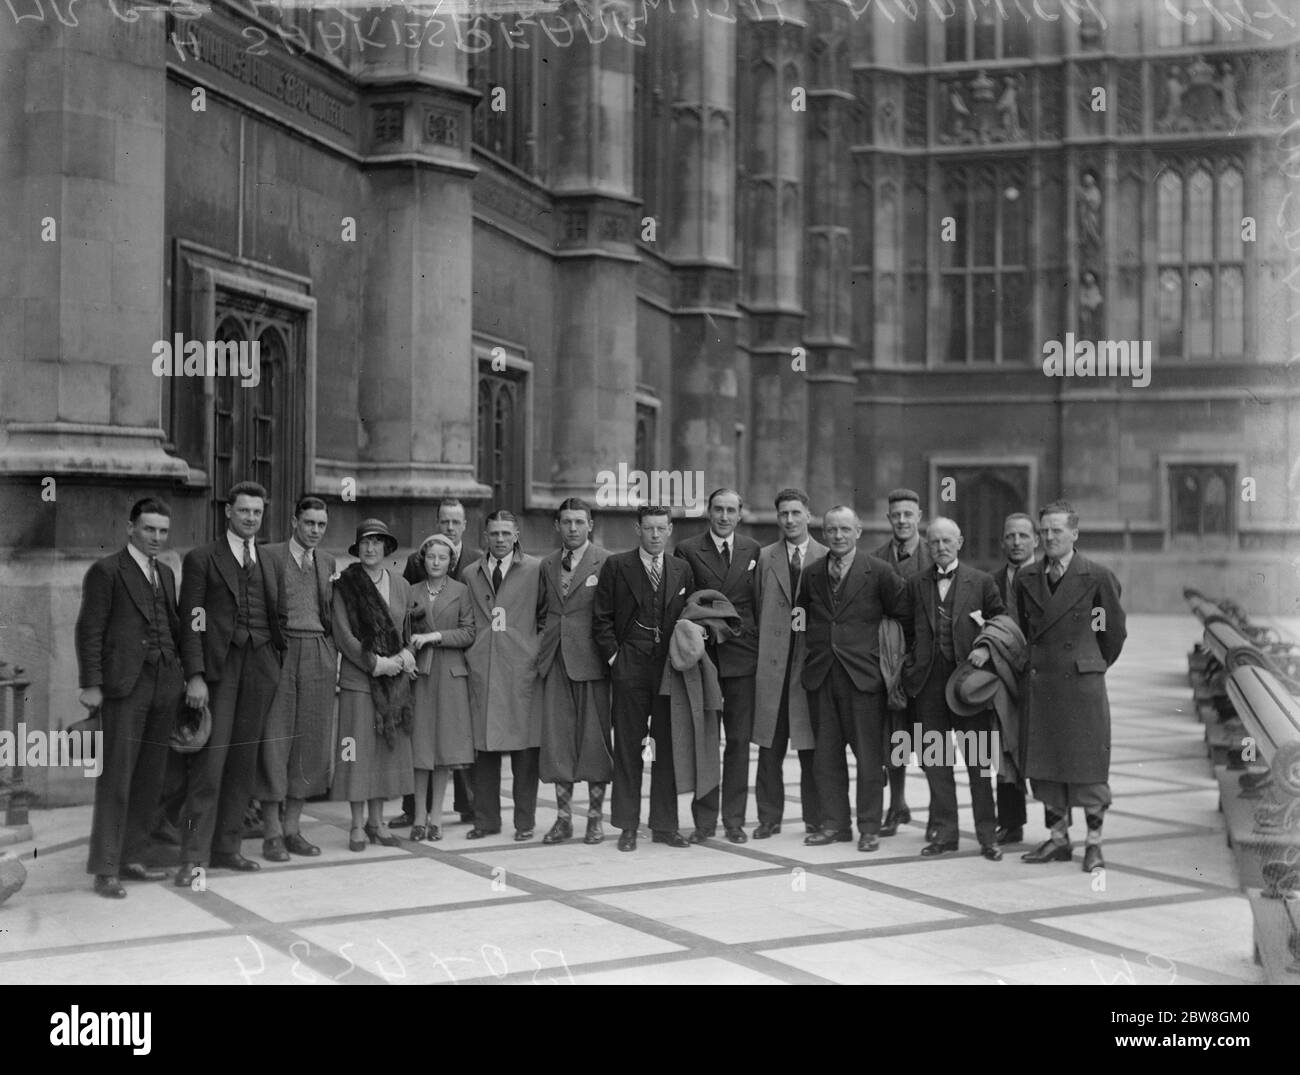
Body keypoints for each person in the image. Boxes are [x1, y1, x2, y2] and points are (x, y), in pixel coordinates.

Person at [175, 482, 287, 886]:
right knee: (210, 766)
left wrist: (275, 660)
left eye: (257, 512)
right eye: (243, 511)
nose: (251, 518)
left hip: (260, 667)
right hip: (219, 671)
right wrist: (196, 675)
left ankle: (227, 847)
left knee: (243, 764)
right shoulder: (202, 558)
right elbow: (191, 621)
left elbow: (279, 615)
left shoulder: (269, 560)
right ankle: (193, 857)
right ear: (228, 512)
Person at [75, 497, 185, 898]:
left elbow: (172, 626)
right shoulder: (107, 571)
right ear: (130, 528)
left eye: (162, 531)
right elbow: (90, 629)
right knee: (117, 777)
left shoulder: (166, 574)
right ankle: (106, 869)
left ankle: (133, 856)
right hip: (125, 686)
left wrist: (183, 674)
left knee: (150, 776)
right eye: (148, 529)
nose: (156, 537)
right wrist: (92, 684)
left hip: (164, 683)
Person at [1013, 500, 1127, 873]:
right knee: (1045, 766)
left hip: (1081, 688)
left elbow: (1110, 633)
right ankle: (1059, 839)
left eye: (1057, 530)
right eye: (1044, 531)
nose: (1049, 537)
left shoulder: (1096, 577)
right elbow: (1024, 629)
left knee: (1088, 769)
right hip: (1042, 683)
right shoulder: (1027, 578)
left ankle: (1094, 844)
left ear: (1074, 534)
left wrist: (1088, 665)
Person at [800, 505, 906, 853]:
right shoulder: (812, 573)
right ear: (823, 533)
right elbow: (803, 616)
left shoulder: (879, 572)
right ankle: (835, 825)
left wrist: (884, 661)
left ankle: (869, 828)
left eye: (845, 529)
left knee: (869, 758)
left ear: (858, 532)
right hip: (822, 677)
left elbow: (902, 615)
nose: (838, 535)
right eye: (832, 529)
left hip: (864, 680)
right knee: (826, 757)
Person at [899, 517, 1005, 860]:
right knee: (936, 763)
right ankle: (945, 834)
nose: (941, 547)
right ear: (928, 546)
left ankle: (987, 836)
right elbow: (907, 630)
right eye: (934, 542)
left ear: (960, 542)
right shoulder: (916, 583)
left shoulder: (982, 582)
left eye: (947, 541)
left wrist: (985, 647)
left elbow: (1001, 623)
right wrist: (912, 665)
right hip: (929, 686)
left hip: (969, 686)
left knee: (978, 764)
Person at [592, 504, 695, 851]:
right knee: (628, 747)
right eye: (648, 528)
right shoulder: (617, 566)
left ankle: (665, 826)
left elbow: (691, 615)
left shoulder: (681, 569)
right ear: (637, 529)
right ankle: (627, 826)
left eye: (661, 528)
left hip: (668, 670)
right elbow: (601, 618)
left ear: (670, 530)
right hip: (629, 668)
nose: (655, 535)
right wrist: (615, 658)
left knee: (666, 747)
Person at [673, 488, 761, 843]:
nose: (724, 517)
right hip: (706, 658)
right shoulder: (688, 549)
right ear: (708, 512)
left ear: (740, 514)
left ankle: (734, 820)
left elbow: (756, 603)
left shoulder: (752, 550)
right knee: (706, 739)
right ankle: (704, 822)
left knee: (738, 741)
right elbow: (685, 605)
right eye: (718, 509)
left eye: (731, 510)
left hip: (742, 657)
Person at [255, 495, 337, 861]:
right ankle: (271, 832)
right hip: (282, 652)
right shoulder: (269, 556)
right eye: (309, 523)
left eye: (321, 524)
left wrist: (329, 653)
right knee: (275, 739)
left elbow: (329, 611)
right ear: (294, 522)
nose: (315, 531)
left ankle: (292, 829)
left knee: (310, 740)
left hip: (318, 653)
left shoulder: (328, 561)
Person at [330, 519, 416, 852]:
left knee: (383, 751)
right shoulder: (345, 584)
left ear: (387, 548)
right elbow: (343, 634)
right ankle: (356, 824)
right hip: (359, 680)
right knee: (357, 752)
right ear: (357, 548)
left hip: (393, 682)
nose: (370, 548)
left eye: (377, 542)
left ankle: (377, 822)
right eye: (365, 542)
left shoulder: (401, 584)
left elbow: (408, 629)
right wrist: (375, 663)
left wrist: (405, 655)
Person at [395, 497, 480, 829]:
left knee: (445, 749)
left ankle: (437, 818)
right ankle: (417, 815)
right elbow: (401, 628)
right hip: (420, 674)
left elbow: (469, 631)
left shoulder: (462, 588)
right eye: (431, 556)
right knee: (420, 748)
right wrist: (406, 655)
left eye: (443, 557)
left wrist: (434, 636)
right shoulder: (411, 589)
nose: (436, 561)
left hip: (450, 674)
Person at [535, 499, 613, 845]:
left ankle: (594, 818)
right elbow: (541, 612)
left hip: (593, 662)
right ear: (557, 525)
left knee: (594, 742)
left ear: (590, 525)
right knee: (558, 742)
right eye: (566, 522)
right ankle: (563, 818)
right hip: (555, 661)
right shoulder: (547, 564)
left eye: (579, 522)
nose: (572, 528)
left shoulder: (606, 561)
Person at [463, 510, 544, 841]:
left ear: (517, 535)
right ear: (484, 536)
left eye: (505, 533)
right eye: (494, 533)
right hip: (484, 667)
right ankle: (486, 820)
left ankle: (524, 822)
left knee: (525, 750)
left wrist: (533, 651)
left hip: (521, 669)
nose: (499, 539)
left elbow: (546, 615)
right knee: (484, 748)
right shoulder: (471, 573)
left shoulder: (536, 569)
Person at [752, 488, 827, 838]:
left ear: (808, 515)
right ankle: (769, 817)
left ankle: (815, 816)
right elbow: (756, 606)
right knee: (770, 745)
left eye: (796, 513)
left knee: (812, 747)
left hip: (809, 666)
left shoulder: (826, 556)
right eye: (783, 513)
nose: (790, 520)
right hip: (772, 666)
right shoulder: (765, 557)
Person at [873, 488, 933, 837]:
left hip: (927, 663)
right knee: (893, 736)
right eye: (896, 515)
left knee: (929, 739)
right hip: (891, 662)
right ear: (888, 519)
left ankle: (939, 812)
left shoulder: (934, 554)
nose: (902, 520)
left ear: (919, 517)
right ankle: (896, 805)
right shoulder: (876, 558)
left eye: (908, 514)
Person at [992, 511, 1038, 845]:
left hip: (1042, 678)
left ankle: (1058, 828)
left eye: (1023, 535)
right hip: (1002, 678)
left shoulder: (1048, 578)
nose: (1017, 542)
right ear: (1002, 541)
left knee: (1046, 750)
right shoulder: (989, 582)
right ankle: (1011, 823)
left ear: (1036, 540)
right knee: (1004, 749)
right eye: (1010, 536)